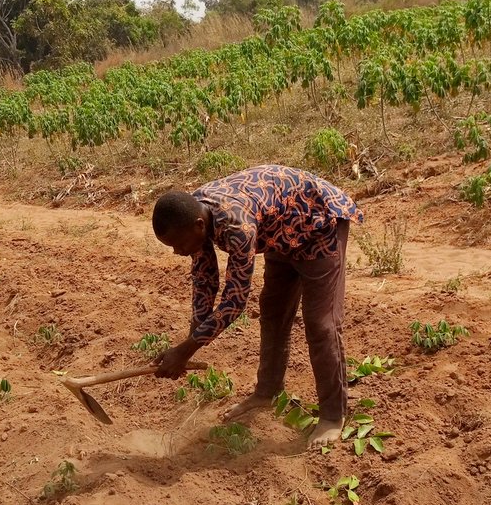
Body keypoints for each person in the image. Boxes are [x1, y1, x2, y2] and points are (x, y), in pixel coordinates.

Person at [151, 164, 364, 448]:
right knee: (273, 312)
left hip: (318, 225)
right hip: (281, 231)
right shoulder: (194, 212)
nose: (177, 252)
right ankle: (268, 391)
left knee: (321, 323)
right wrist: (190, 342)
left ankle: (332, 416)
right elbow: (205, 282)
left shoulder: (237, 225)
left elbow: (235, 302)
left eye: (178, 245)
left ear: (198, 226)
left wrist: (187, 348)